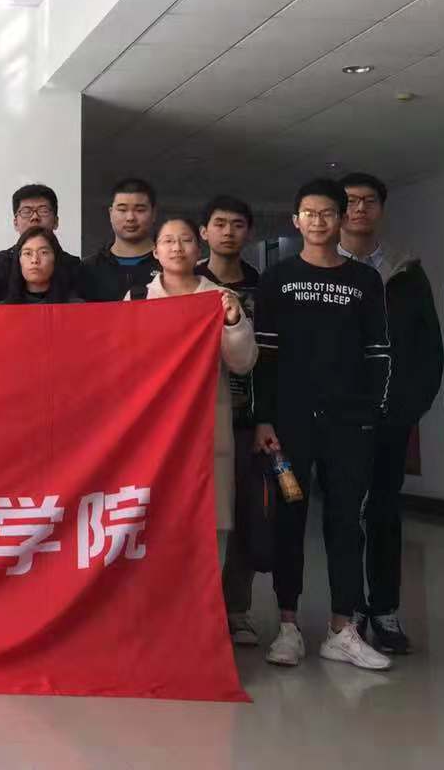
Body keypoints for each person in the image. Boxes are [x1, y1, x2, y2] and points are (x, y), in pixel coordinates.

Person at [253, 178, 392, 672]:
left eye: (327, 212)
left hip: (349, 424)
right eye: (309, 213)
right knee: (289, 518)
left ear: (341, 218)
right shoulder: (277, 278)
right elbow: (263, 356)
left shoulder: (365, 281)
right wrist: (263, 417)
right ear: (296, 221)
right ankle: (288, 626)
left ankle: (341, 629)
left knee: (345, 523)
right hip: (289, 426)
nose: (318, 220)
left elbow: (379, 352)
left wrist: (372, 411)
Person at [338, 171, 443, 655]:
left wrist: (410, 405)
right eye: (350, 201)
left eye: (369, 201)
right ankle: (349, 608)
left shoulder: (407, 271)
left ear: (380, 209)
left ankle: (385, 609)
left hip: (390, 416)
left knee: (384, 511)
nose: (359, 208)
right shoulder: (321, 269)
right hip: (338, 417)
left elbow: (428, 346)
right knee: (342, 514)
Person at [128, 219, 255, 547]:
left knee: (207, 532)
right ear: (155, 251)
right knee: (155, 529)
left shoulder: (220, 298)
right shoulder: (138, 298)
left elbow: (242, 363)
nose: (177, 248)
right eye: (168, 241)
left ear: (198, 249)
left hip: (206, 427)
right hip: (153, 428)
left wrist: (233, 322)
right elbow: (123, 364)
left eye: (185, 240)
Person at [196, 195, 263, 646]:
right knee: (198, 520)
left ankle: (236, 609)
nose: (227, 232)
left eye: (237, 224)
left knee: (244, 517)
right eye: (219, 223)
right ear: (204, 232)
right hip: (195, 423)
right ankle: (196, 610)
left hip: (248, 418)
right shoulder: (190, 286)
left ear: (248, 232)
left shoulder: (263, 286)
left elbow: (268, 357)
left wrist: (268, 418)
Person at [0, 185, 82, 296]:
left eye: (43, 211)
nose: (35, 217)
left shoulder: (74, 267)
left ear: (56, 221)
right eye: (26, 211)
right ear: (15, 223)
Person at [80, 177, 161, 301]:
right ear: (110, 213)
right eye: (122, 210)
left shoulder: (169, 264)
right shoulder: (88, 269)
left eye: (140, 210)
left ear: (154, 213)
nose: (130, 218)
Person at [1, 227, 81, 304]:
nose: (35, 260)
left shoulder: (76, 306)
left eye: (43, 252)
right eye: (28, 253)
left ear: (56, 258)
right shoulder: (3, 309)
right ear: (18, 260)